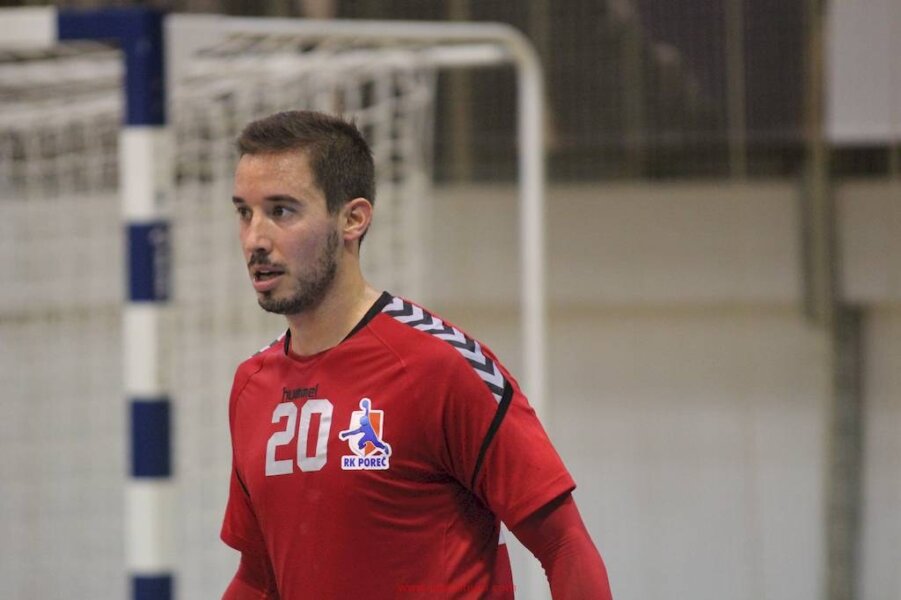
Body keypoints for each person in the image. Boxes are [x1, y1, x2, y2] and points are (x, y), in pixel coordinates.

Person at [221, 110, 612, 599]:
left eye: (281, 211)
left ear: (353, 219)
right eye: (244, 213)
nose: (255, 239)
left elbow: (565, 546)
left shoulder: (439, 365)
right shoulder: (252, 386)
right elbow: (258, 577)